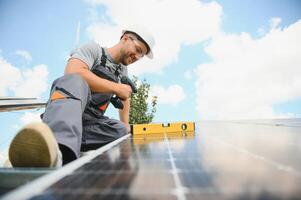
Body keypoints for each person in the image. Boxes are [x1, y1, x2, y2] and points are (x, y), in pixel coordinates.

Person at [8, 25, 155, 167]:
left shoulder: (121, 71)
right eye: (137, 50)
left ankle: (73, 150)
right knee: (76, 80)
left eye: (141, 55)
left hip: (90, 123)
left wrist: (126, 125)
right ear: (125, 38)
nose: (137, 57)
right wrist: (116, 88)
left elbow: (125, 97)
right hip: (65, 116)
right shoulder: (93, 50)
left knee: (120, 131)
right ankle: (57, 151)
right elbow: (73, 71)